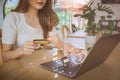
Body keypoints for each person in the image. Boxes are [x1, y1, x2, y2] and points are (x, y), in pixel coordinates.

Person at [2, 0, 85, 62]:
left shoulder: (45, 18)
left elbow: (58, 43)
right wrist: (21, 50)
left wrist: (68, 46)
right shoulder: (13, 18)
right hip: (21, 68)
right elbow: (4, 56)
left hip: (40, 64)